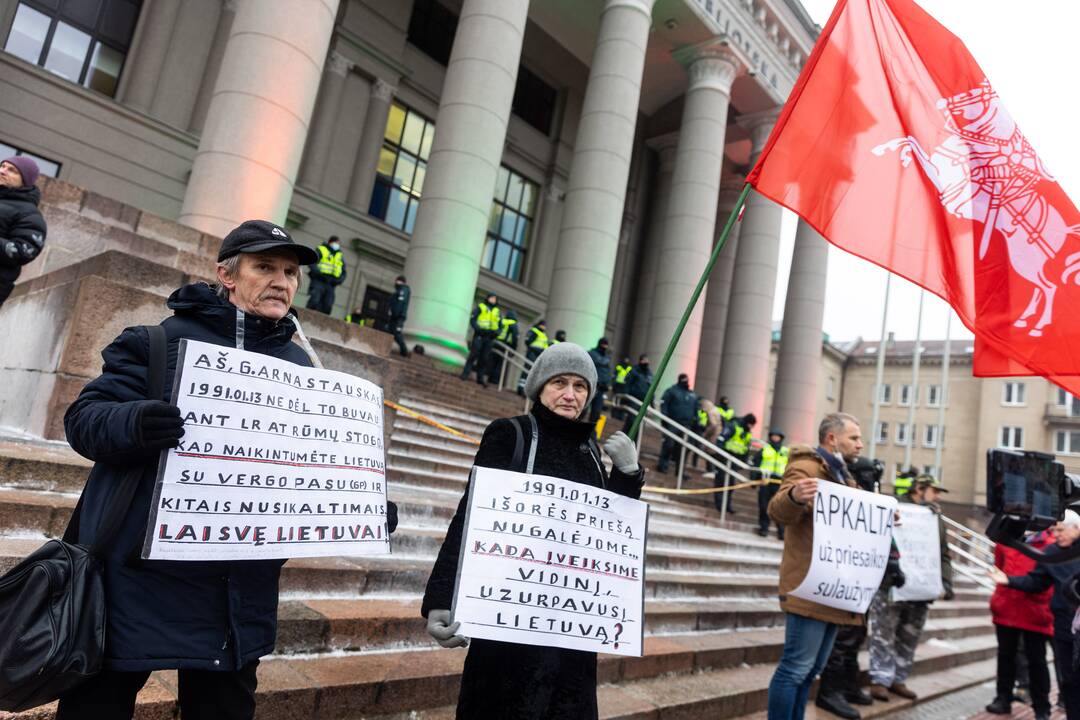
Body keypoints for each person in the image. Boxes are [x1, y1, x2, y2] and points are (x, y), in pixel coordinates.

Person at [56, 219, 398, 719]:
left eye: (290, 271)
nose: (282, 281)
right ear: (227, 274)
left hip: (236, 593)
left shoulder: (303, 370)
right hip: (135, 579)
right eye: (265, 267)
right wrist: (134, 423)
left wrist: (355, 504)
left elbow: (301, 473)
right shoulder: (158, 341)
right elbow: (83, 421)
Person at [421, 342, 645, 719]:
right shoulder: (510, 434)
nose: (570, 395)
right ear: (539, 386)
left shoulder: (589, 447)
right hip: (509, 623)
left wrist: (628, 474)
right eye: (560, 382)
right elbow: (471, 514)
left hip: (569, 630)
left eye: (580, 386)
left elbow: (610, 530)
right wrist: (441, 597)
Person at [765, 412, 866, 720]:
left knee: (810, 673)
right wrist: (795, 496)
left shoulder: (844, 476)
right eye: (854, 438)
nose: (860, 445)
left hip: (833, 586)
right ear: (831, 438)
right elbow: (777, 510)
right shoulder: (807, 468)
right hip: (809, 585)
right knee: (795, 669)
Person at [868, 474, 954, 703]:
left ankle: (898, 678)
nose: (937, 496)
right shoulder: (894, 506)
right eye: (934, 491)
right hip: (891, 586)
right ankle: (880, 679)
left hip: (920, 589)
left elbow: (942, 553)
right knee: (883, 633)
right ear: (919, 488)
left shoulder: (934, 518)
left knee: (909, 635)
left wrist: (946, 582)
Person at [991, 510, 1080, 720]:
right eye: (1055, 530)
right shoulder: (1051, 552)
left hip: (1064, 620)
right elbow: (1036, 581)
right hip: (1064, 623)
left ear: (1077, 529)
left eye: (1061, 529)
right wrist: (1009, 580)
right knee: (1069, 679)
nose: (1056, 534)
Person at [817, 536, 906, 719]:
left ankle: (848, 686)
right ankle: (830, 692)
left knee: (856, 634)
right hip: (848, 569)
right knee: (843, 636)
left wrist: (892, 560)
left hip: (864, 572)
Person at [985, 530, 1054, 718]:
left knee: (1036, 660)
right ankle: (1003, 698)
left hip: (1035, 611)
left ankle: (1042, 707)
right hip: (1007, 607)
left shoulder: (1050, 545)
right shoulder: (1006, 540)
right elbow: (999, 567)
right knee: (1005, 656)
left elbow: (1048, 580)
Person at [0, 155, 46, 307]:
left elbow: (23, 251)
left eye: (12, 170)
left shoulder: (30, 214)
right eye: (2, 166)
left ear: (25, 180)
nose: (3, 171)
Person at [656, 373, 698, 475]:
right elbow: (664, 404)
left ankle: (680, 471)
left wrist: (696, 420)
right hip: (673, 422)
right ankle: (662, 466)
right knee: (668, 445)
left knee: (683, 449)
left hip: (686, 425)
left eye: (687, 379)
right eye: (684, 379)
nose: (686, 381)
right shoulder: (672, 391)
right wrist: (665, 419)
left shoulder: (692, 394)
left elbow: (696, 409)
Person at [460, 292, 501, 386]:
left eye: (495, 298)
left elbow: (500, 325)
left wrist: (497, 333)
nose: (493, 300)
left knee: (484, 358)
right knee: (473, 355)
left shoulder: (497, 312)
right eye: (491, 298)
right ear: (488, 298)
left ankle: (480, 378)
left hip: (490, 337)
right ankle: (465, 374)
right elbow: (473, 319)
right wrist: (478, 329)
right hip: (480, 335)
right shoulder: (481, 307)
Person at [719, 413, 757, 514]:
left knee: (730, 484)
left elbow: (746, 448)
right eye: (752, 424)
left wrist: (743, 461)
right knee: (721, 482)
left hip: (735, 460)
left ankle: (727, 506)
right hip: (725, 457)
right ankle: (720, 506)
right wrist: (719, 454)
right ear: (748, 423)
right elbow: (722, 439)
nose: (752, 427)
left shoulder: (747, 432)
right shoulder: (734, 426)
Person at [757, 429, 789, 539]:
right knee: (764, 506)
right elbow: (757, 463)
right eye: (773, 436)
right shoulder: (765, 449)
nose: (775, 438)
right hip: (766, 480)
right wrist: (754, 479)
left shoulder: (785, 451)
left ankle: (781, 532)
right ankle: (763, 528)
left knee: (780, 507)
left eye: (777, 436)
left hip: (780, 482)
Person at [306, 235, 346, 314]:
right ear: (330, 242)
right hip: (319, 280)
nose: (337, 245)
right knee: (314, 301)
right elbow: (312, 263)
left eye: (338, 244)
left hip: (331, 283)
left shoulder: (339, 255)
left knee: (327, 305)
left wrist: (337, 281)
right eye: (335, 243)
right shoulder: (321, 249)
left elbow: (343, 272)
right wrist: (319, 274)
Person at [620, 354, 653, 433]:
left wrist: (652, 403)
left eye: (647, 360)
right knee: (631, 420)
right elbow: (627, 383)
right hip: (633, 399)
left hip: (643, 402)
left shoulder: (649, 374)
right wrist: (625, 397)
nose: (646, 362)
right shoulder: (634, 370)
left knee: (638, 423)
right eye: (644, 360)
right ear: (640, 361)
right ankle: (624, 437)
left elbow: (651, 388)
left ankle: (632, 440)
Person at [517, 319, 549, 396]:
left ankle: (527, 390)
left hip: (539, 355)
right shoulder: (534, 331)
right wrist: (532, 349)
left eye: (544, 325)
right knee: (527, 370)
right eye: (543, 325)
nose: (544, 327)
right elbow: (528, 341)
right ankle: (521, 388)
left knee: (533, 372)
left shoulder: (544, 335)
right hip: (532, 353)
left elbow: (545, 346)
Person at [587, 337, 613, 422]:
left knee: (596, 412)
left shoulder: (606, 357)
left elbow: (608, 372)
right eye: (603, 344)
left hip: (601, 388)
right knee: (583, 409)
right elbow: (600, 362)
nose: (605, 346)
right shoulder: (592, 353)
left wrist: (608, 383)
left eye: (606, 345)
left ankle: (592, 433)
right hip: (591, 386)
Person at [388, 274, 411, 357]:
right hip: (395, 316)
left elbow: (400, 303)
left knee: (397, 333)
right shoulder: (398, 291)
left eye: (397, 281)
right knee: (390, 332)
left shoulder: (403, 290)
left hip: (398, 317)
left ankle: (404, 352)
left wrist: (395, 313)